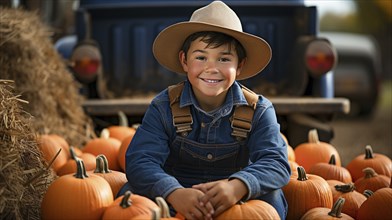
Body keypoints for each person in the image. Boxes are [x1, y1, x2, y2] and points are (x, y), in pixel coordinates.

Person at [123, 1, 291, 219]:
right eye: (201, 57)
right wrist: (173, 192)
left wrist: (238, 186)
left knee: (273, 198)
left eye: (224, 58)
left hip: (234, 200)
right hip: (177, 197)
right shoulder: (164, 106)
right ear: (184, 60)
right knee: (128, 195)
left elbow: (276, 162)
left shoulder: (258, 110)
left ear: (239, 66)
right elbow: (140, 160)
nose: (211, 68)